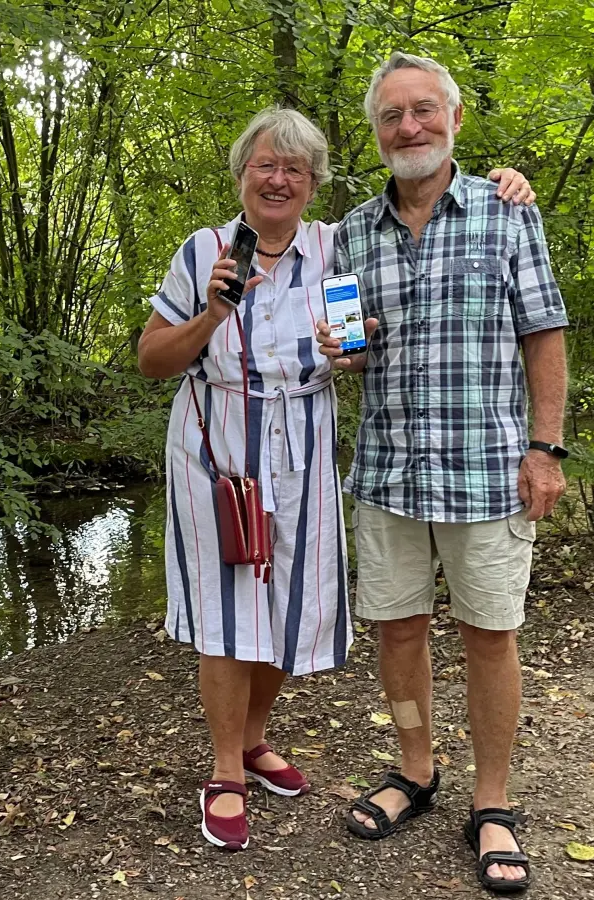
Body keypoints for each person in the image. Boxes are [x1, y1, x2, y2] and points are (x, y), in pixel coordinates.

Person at [136, 106, 534, 852]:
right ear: (242, 174)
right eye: (265, 164)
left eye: (294, 168)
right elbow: (152, 358)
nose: (278, 178)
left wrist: (506, 185)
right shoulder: (204, 252)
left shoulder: (337, 246)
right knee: (227, 612)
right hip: (217, 451)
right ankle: (225, 770)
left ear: (314, 183)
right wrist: (214, 316)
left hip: (307, 449)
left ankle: (254, 740)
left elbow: (355, 345)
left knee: (287, 606)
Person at [318, 53, 569, 894]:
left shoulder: (507, 213)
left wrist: (547, 448)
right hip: (389, 469)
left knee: (490, 636)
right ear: (377, 133)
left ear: (454, 119)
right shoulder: (352, 232)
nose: (409, 127)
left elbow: (544, 334)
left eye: (424, 110)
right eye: (392, 116)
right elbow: (350, 352)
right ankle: (416, 770)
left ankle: (492, 802)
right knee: (397, 629)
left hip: (488, 468)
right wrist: (343, 348)